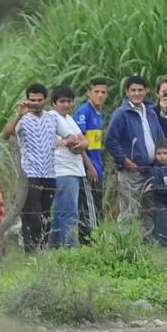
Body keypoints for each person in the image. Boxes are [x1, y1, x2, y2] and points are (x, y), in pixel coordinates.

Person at [0, 83, 58, 253]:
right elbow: (5, 134)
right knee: (32, 215)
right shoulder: (22, 118)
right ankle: (30, 251)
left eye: (39, 100)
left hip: (49, 172)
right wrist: (19, 115)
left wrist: (68, 141)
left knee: (46, 214)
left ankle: (41, 250)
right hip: (29, 173)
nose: (36, 103)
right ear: (27, 100)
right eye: (32, 100)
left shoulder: (52, 117)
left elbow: (69, 134)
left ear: (45, 100)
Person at [105, 75, 164, 239]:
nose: (137, 93)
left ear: (146, 91)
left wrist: (161, 157)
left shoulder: (150, 112)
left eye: (140, 90)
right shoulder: (121, 113)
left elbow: (159, 136)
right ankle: (125, 243)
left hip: (150, 169)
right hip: (131, 171)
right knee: (129, 209)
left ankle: (146, 242)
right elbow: (110, 140)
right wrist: (124, 160)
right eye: (133, 90)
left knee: (148, 208)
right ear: (127, 92)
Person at [48, 85, 92, 248]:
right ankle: (71, 248)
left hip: (73, 170)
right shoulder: (54, 117)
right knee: (69, 212)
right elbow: (75, 140)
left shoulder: (68, 118)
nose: (66, 105)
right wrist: (74, 142)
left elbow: (82, 140)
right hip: (64, 169)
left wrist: (74, 142)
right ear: (53, 103)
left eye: (69, 101)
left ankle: (53, 246)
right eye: (62, 101)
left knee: (60, 211)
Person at [72, 77, 109, 245]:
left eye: (103, 92)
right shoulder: (83, 112)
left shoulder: (99, 113)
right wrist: (89, 166)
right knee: (89, 207)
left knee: (97, 205)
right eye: (96, 92)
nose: (100, 95)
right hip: (88, 169)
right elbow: (78, 143)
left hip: (98, 166)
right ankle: (91, 242)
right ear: (89, 92)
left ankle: (95, 238)